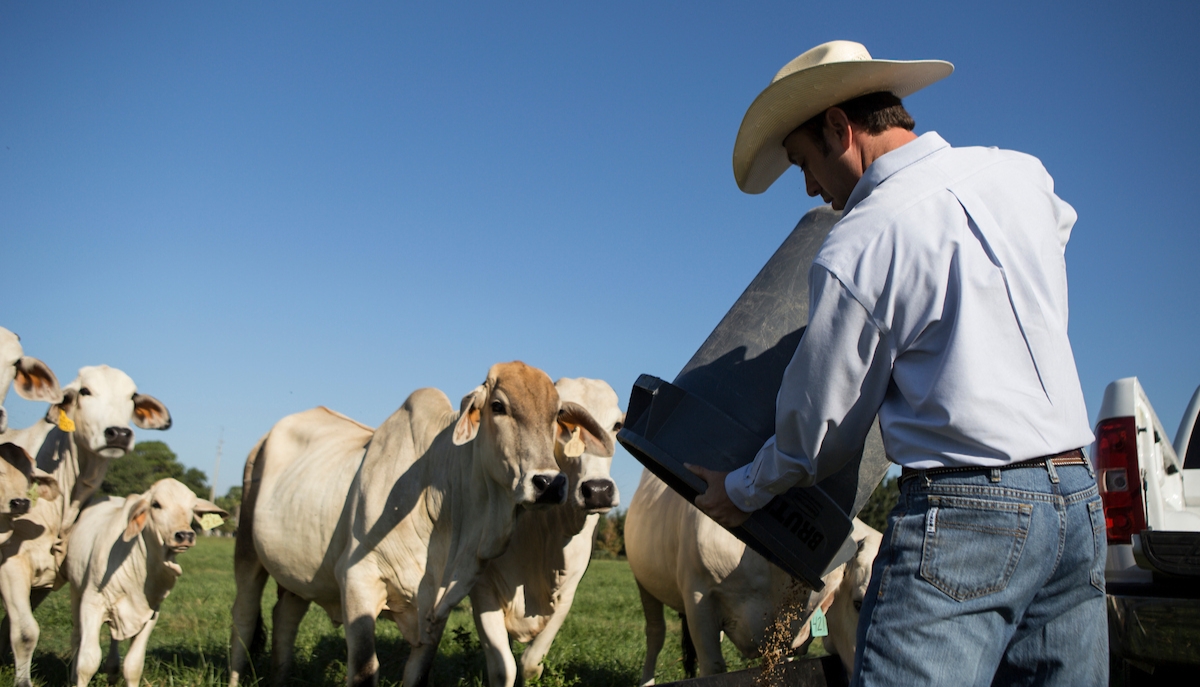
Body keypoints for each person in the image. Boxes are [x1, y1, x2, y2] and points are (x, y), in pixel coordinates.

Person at [685, 41, 1106, 686]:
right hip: (1078, 504)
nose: (809, 187)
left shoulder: (860, 242)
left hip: (967, 514)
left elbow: (816, 440)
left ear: (838, 127)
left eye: (802, 162)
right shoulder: (1021, 174)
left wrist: (739, 491)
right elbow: (1060, 227)